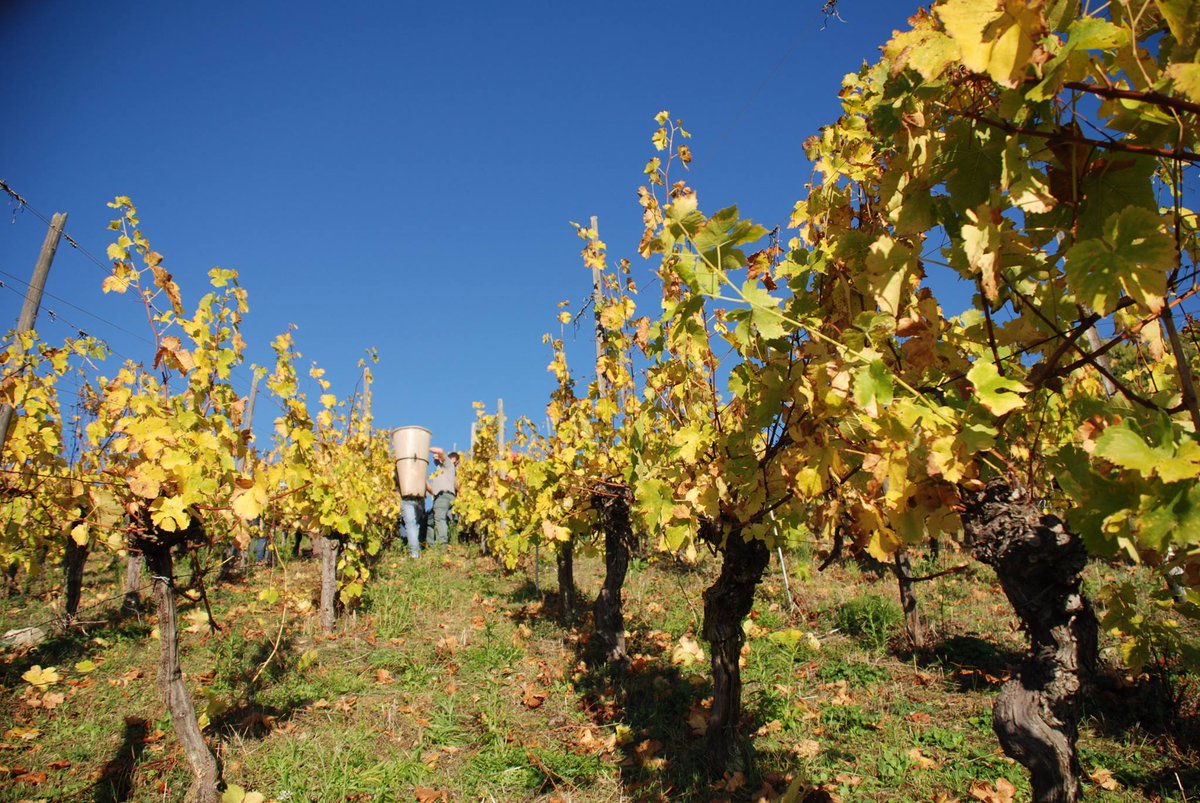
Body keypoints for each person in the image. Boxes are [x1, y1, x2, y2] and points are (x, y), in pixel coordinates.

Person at [426, 447, 459, 547]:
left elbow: (440, 451)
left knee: (440, 519)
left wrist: (425, 448)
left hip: (444, 496)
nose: (435, 458)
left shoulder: (448, 465)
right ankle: (431, 546)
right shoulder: (439, 473)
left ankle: (442, 545)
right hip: (439, 498)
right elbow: (432, 491)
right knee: (430, 520)